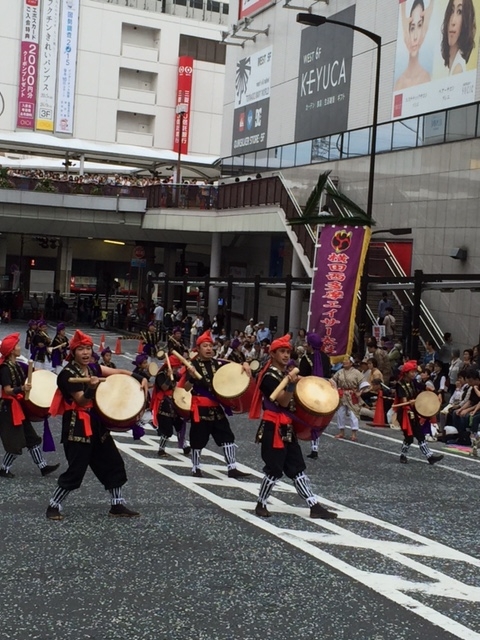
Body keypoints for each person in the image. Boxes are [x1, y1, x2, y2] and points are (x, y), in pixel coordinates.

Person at [46, 330, 148, 520]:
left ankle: (117, 506)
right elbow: (82, 401)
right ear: (73, 352)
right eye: (81, 349)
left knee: (113, 463)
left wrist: (138, 377)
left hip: (97, 425)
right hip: (77, 427)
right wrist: (92, 388)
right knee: (76, 471)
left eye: (88, 349)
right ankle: (53, 505)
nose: (85, 353)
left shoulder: (93, 368)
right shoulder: (67, 375)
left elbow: (118, 372)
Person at [248, 333, 337, 520]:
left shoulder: (284, 374)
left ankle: (314, 505)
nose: (286, 355)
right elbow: (281, 401)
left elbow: (305, 387)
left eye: (288, 351)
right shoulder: (267, 377)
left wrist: (325, 384)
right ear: (272, 354)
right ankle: (261, 503)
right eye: (282, 351)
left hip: (287, 427)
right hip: (273, 427)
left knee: (297, 468)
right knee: (274, 469)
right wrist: (289, 385)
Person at [184, 330, 250, 479]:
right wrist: (193, 377)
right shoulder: (192, 365)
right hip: (200, 407)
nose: (209, 349)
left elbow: (233, 371)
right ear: (198, 348)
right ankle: (196, 467)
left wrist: (245, 365)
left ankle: (232, 467)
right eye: (205, 346)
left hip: (216, 406)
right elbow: (186, 388)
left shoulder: (218, 363)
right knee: (197, 438)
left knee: (227, 436)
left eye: (211, 346)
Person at [0, 333, 60, 479]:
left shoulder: (17, 364)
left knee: (32, 439)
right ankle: (4, 468)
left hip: (18, 407)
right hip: (8, 408)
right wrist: (22, 389)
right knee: (16, 443)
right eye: (17, 346)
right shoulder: (4, 369)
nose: (20, 348)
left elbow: (33, 371)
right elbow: (7, 390)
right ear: (12, 350)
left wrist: (46, 376)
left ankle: (43, 467)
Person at [396, 360, 444, 465]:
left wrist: (435, 393)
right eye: (412, 372)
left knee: (420, 435)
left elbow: (423, 387)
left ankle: (430, 456)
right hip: (404, 413)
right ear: (406, 372)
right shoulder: (400, 384)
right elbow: (404, 402)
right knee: (409, 437)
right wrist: (411, 401)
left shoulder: (413, 382)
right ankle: (403, 455)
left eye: (414, 372)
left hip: (412, 411)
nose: (414, 374)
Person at [298, 332, 332, 460]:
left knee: (305, 416)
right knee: (317, 418)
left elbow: (302, 377)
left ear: (311, 345)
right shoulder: (326, 358)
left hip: (309, 390)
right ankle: (315, 447)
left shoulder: (306, 358)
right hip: (323, 390)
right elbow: (328, 374)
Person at [151, 355, 190, 457]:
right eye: (175, 367)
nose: (177, 369)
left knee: (180, 425)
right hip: (164, 405)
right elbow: (164, 387)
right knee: (167, 430)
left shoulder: (174, 373)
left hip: (174, 403)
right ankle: (161, 449)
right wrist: (169, 376)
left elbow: (181, 378)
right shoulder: (160, 374)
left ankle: (184, 446)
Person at [395, 0, 434, 91]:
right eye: (412, 28)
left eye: (420, 25)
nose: (415, 37)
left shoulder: (427, 78)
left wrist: (432, 5)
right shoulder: (399, 83)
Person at [332, 357, 364, 441]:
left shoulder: (357, 373)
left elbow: (363, 383)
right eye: (344, 361)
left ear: (351, 363)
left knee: (353, 414)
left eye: (347, 361)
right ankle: (341, 431)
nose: (344, 362)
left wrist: (359, 392)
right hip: (342, 394)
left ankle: (354, 433)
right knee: (340, 413)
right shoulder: (339, 372)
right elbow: (333, 380)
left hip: (352, 394)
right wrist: (335, 388)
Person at [441, 0, 476, 75]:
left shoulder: (458, 69)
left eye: (460, 12)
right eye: (451, 11)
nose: (453, 21)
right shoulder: (454, 64)